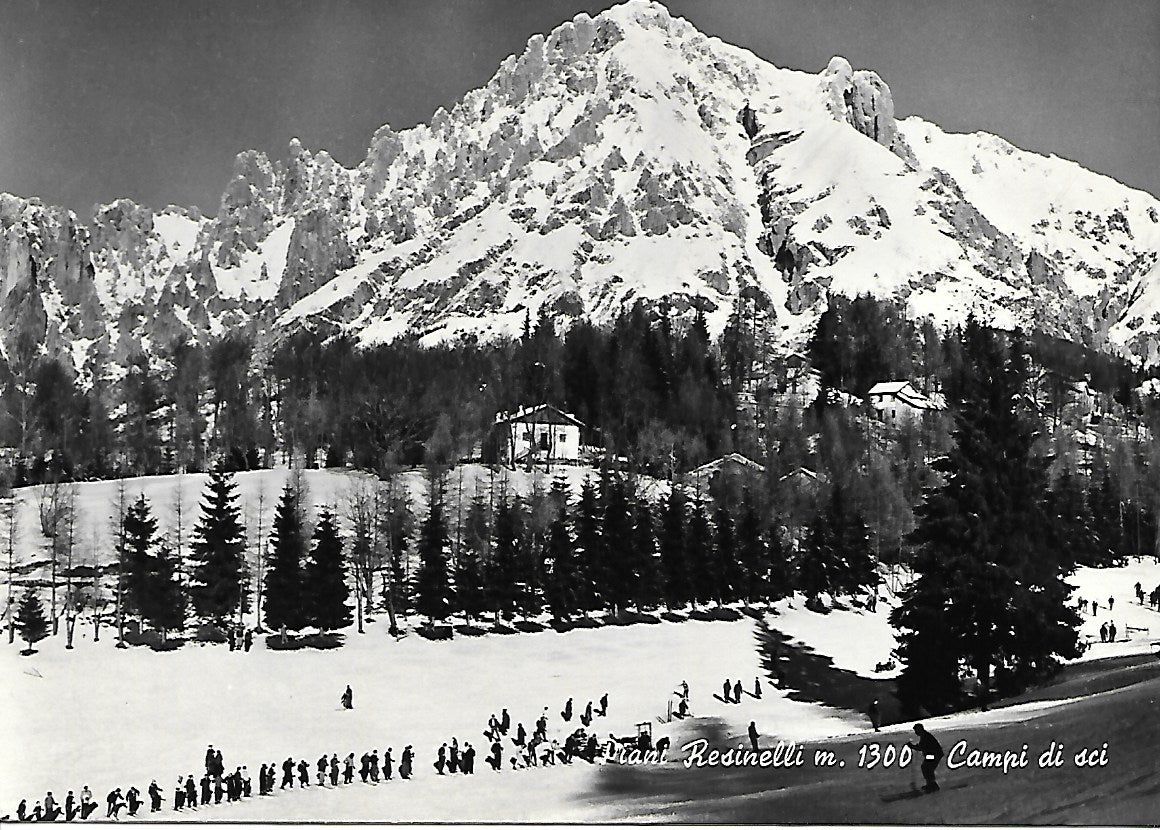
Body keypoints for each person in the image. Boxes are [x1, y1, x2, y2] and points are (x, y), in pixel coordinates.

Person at [907, 724, 944, 792]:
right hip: (933, 754)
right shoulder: (924, 735)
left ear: (920, 729)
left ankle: (932, 785)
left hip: (935, 754)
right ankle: (931, 784)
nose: (916, 732)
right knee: (927, 767)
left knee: (927, 767)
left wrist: (912, 746)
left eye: (917, 730)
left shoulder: (926, 737)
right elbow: (921, 746)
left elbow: (920, 747)